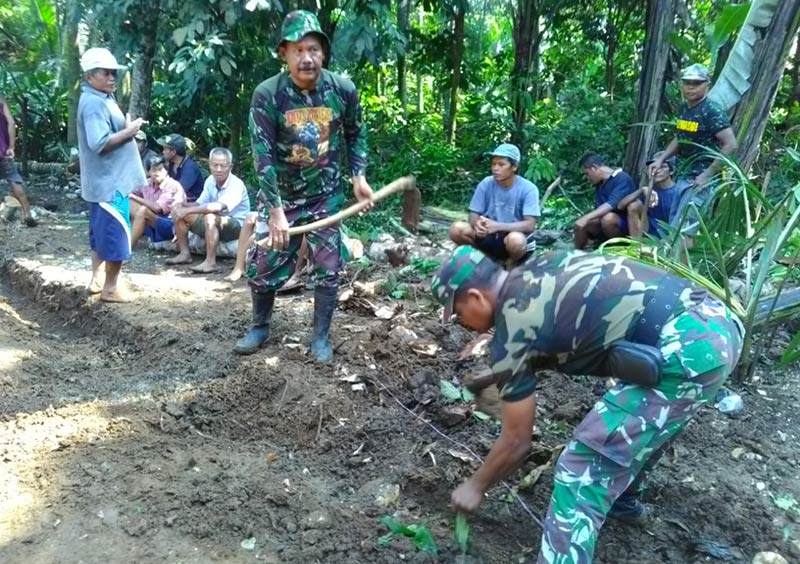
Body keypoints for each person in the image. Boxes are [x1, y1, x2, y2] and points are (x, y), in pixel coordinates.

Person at [431, 245, 743, 564]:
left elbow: (516, 442)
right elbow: (555, 332)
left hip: (684, 348)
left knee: (581, 469)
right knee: (650, 417)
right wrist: (488, 378)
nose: (461, 323)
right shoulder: (539, 265)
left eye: (457, 313)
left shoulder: (511, 332)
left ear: (476, 297)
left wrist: (475, 486)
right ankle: (624, 501)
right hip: (714, 323)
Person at [234, 10, 373, 361]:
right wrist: (276, 212)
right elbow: (262, 156)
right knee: (264, 263)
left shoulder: (342, 90)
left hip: (325, 197)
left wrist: (359, 177)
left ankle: (320, 338)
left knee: (328, 268)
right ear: (284, 53)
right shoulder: (268, 95)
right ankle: (260, 325)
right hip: (282, 197)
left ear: (323, 52)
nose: (306, 57)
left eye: (312, 49)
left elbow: (356, 134)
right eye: (298, 50)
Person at [77, 47, 146, 303]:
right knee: (115, 233)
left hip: (103, 181)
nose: (111, 78)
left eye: (113, 73)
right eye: (105, 73)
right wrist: (130, 131)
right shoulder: (95, 103)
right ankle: (110, 287)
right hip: (109, 182)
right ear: (89, 77)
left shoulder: (100, 97)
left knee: (100, 232)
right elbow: (99, 142)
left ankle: (96, 279)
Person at [648, 64, 738, 238]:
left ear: (706, 85)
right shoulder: (684, 108)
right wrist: (661, 159)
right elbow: (681, 137)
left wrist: (707, 174)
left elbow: (731, 144)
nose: (691, 87)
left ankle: (674, 264)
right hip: (683, 175)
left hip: (699, 180)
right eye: (687, 82)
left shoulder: (711, 111)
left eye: (696, 83)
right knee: (676, 223)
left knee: (683, 229)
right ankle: (675, 263)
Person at [449, 143, 540, 263]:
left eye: (501, 164)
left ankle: (510, 266)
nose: (495, 168)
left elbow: (530, 225)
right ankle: (485, 261)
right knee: (457, 229)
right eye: (493, 164)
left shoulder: (528, 188)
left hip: (512, 238)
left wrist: (497, 226)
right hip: (488, 237)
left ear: (514, 167)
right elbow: (473, 214)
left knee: (516, 240)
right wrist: (478, 225)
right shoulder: (486, 183)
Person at [166, 147, 250, 273]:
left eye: (223, 166)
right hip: (213, 220)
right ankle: (184, 254)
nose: (219, 169)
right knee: (178, 210)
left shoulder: (236, 184)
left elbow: (217, 207)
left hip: (236, 225)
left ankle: (210, 262)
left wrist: (188, 211)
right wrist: (182, 205)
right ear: (210, 165)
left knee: (209, 216)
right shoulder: (210, 180)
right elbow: (200, 203)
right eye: (215, 165)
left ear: (230, 167)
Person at [573, 153, 638, 249]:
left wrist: (586, 217)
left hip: (624, 224)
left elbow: (611, 204)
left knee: (608, 218)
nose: (587, 178)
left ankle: (620, 248)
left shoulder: (622, 178)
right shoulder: (600, 184)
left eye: (587, 174)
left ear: (594, 168)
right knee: (583, 224)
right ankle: (576, 251)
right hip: (604, 224)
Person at [619, 151, 682, 239]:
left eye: (663, 167)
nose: (657, 170)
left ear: (672, 171)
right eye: (654, 167)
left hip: (670, 238)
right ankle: (636, 245)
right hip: (648, 235)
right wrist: (641, 190)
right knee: (633, 205)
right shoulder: (649, 191)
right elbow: (620, 206)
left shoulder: (678, 192)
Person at [129, 154, 184, 247]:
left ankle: (127, 250)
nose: (157, 173)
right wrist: (130, 196)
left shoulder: (172, 185)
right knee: (127, 202)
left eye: (160, 169)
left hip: (171, 224)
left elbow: (158, 208)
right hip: (155, 221)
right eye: (153, 170)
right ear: (148, 172)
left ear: (166, 171)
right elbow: (131, 193)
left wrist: (133, 197)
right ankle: (121, 240)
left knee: (143, 211)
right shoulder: (147, 183)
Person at [0, 94, 37, 227]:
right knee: (13, 178)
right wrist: (11, 146)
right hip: (2, 150)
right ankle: (27, 213)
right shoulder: (1, 100)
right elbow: (11, 122)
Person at [157, 133, 204, 202]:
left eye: (165, 149)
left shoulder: (189, 169)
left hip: (191, 203)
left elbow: (178, 190)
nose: (163, 152)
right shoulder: (172, 163)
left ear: (173, 152)